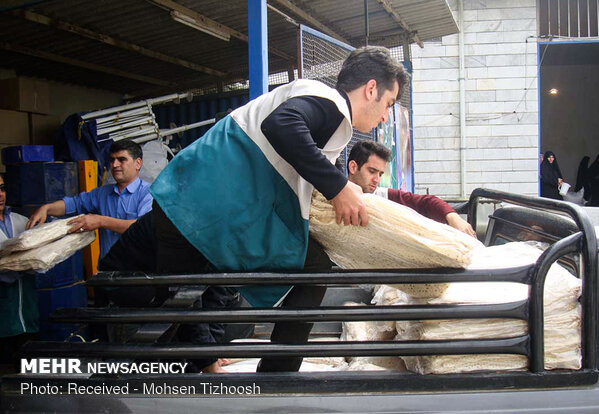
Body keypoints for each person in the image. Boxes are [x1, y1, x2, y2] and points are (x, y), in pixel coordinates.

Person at [99, 46, 410, 373]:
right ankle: (119, 384)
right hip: (195, 212)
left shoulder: (325, 119)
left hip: (210, 216)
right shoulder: (328, 102)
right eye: (389, 104)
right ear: (371, 89)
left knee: (309, 268)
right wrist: (338, 188)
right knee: (166, 313)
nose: (386, 116)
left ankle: (273, 374)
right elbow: (283, 125)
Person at [26, 140, 153, 258]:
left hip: (138, 273)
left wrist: (100, 221)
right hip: (107, 272)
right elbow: (74, 204)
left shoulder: (148, 193)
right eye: (112, 160)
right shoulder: (102, 193)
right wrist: (46, 208)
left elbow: (141, 228)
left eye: (121, 159)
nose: (115, 165)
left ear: (138, 163)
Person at [346, 140, 476, 238]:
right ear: (353, 167)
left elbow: (425, 202)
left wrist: (454, 218)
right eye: (372, 171)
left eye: (380, 174)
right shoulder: (332, 194)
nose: (377, 179)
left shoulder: (381, 195)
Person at [0, 174, 38, 370]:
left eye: (2, 188)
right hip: (4, 320)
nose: (0, 195)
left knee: (28, 372)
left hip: (27, 315)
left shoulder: (20, 221)